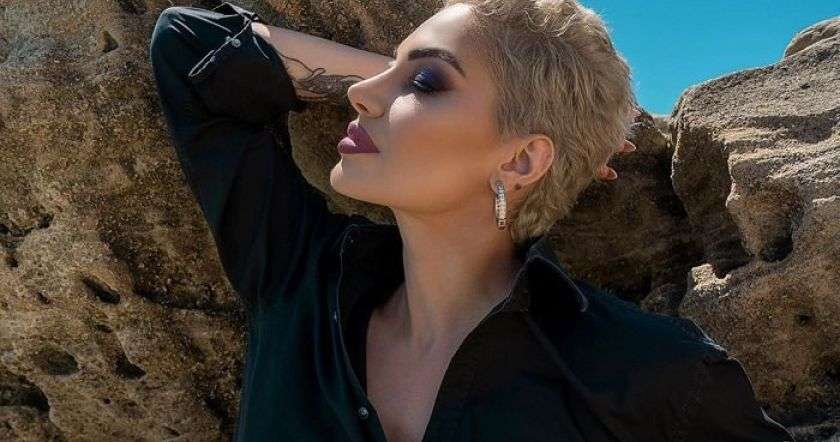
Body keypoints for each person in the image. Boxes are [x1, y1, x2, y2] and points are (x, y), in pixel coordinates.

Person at [148, 1, 795, 441]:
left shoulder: (646, 372)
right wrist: (398, 80)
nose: (362, 94)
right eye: (388, 70)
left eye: (426, 81)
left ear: (521, 158)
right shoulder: (299, 279)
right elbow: (189, 43)